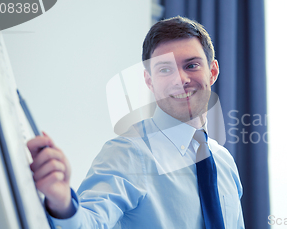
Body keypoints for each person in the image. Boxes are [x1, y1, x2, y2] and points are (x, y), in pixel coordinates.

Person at [27, 16, 244, 228]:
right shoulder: (127, 153)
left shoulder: (225, 162)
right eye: (165, 69)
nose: (180, 80)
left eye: (192, 65)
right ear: (149, 81)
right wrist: (63, 203)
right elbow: (89, 222)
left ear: (213, 72)